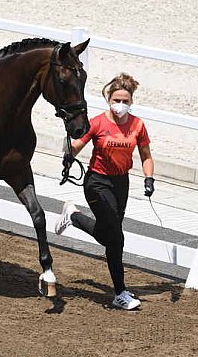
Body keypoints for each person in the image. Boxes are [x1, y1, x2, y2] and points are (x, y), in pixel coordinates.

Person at [55, 72, 155, 310]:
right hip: (97, 182)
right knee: (117, 237)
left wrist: (149, 178)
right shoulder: (98, 123)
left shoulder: (138, 125)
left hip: (121, 183)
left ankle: (74, 216)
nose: (121, 105)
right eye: (117, 100)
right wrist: (68, 155)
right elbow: (76, 146)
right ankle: (120, 292)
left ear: (131, 102)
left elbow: (146, 155)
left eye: (125, 101)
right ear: (109, 99)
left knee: (108, 236)